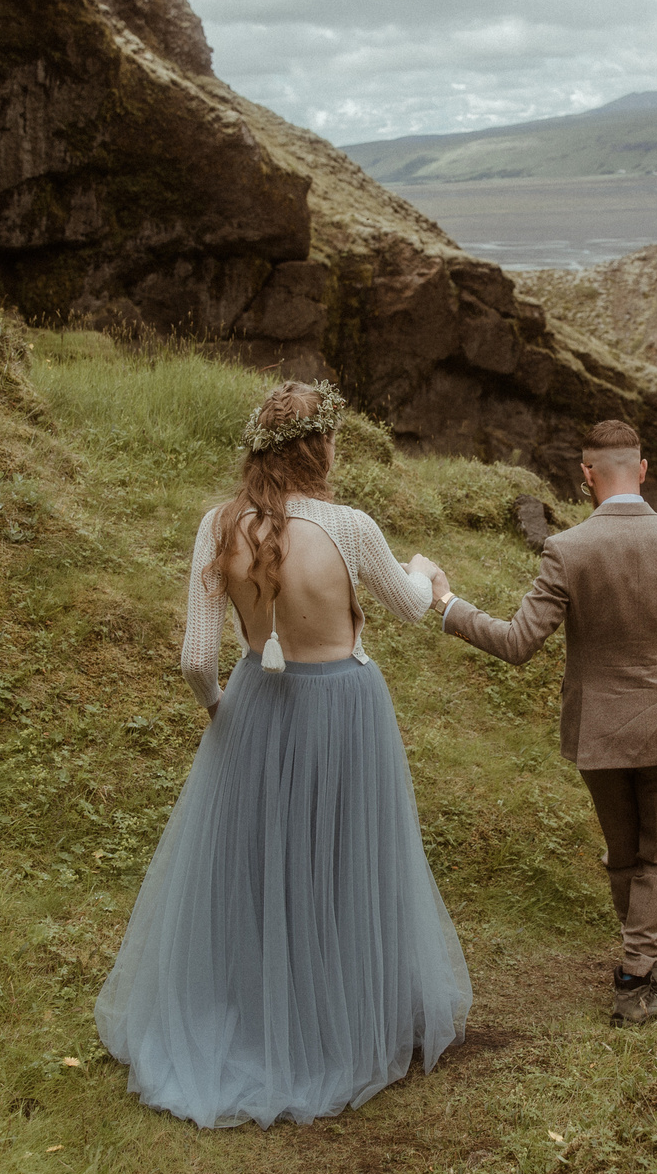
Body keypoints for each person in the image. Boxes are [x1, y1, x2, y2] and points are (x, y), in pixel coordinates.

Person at [95, 380, 472, 1128]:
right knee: (343, 861)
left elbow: (197, 658)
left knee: (260, 864)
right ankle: (338, 1019)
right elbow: (407, 605)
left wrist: (220, 713)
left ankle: (253, 1012)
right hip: (344, 711)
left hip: (256, 707)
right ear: (319, 447)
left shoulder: (218, 526)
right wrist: (427, 570)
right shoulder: (350, 527)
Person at [429, 419, 657, 1028]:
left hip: (599, 730)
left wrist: (448, 605)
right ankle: (637, 976)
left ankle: (642, 961)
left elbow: (516, 642)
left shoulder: (568, 548)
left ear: (587, 475)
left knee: (625, 855)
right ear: (642, 469)